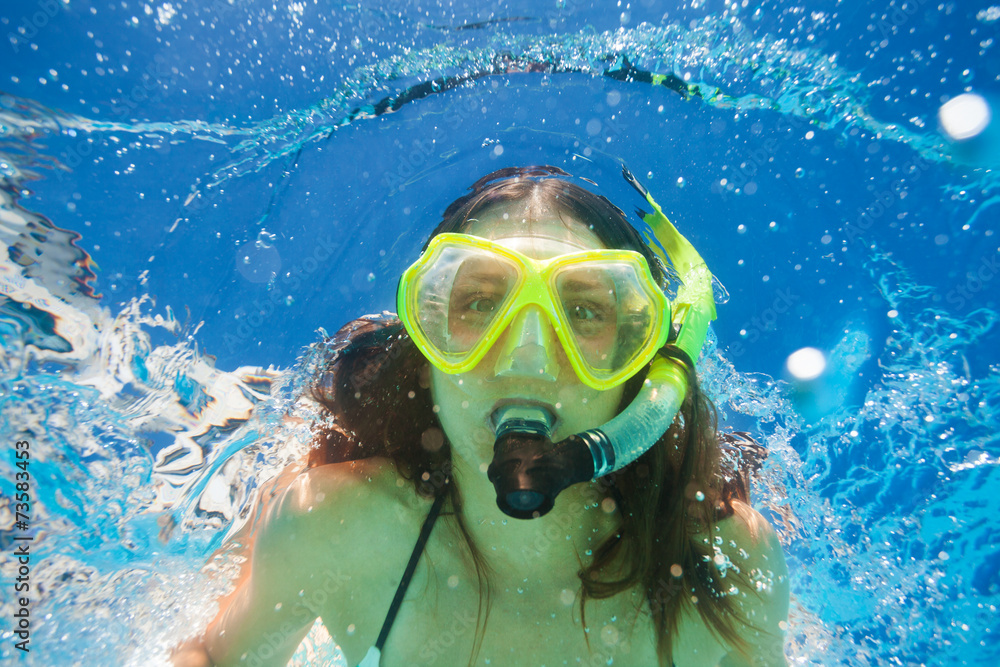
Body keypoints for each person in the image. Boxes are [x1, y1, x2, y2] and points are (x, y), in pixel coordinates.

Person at [171, 165, 789, 667]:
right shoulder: (331, 526)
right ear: (426, 350)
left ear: (643, 364)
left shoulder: (721, 569)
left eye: (584, 312)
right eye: (480, 303)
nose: (528, 359)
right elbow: (210, 657)